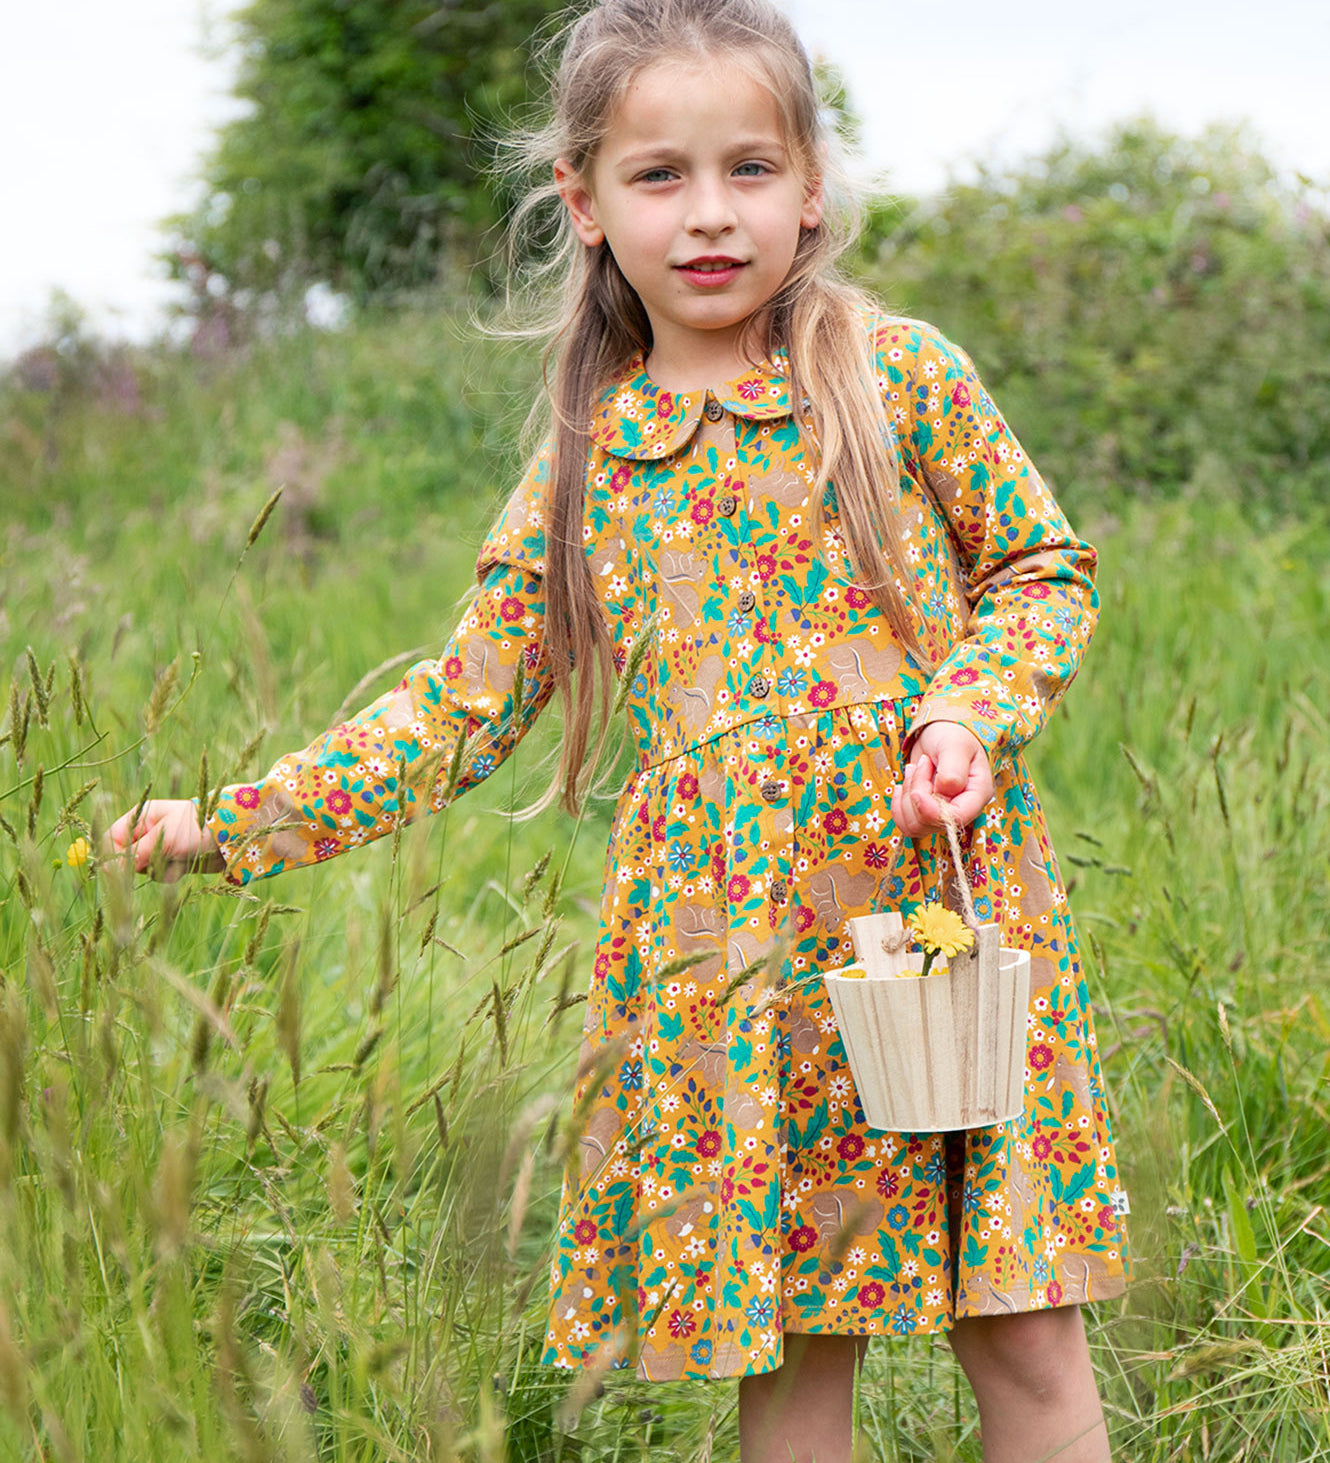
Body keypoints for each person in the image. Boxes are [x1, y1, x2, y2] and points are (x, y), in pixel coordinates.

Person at [110, 1, 1128, 1457]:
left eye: (749, 170)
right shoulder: (589, 463)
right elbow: (454, 710)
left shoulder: (893, 375)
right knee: (785, 1351)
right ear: (584, 203)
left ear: (811, 186)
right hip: (726, 968)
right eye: (659, 176)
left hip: (933, 923)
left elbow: (1041, 567)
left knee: (1023, 1329)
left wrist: (963, 709)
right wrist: (229, 824)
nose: (709, 216)